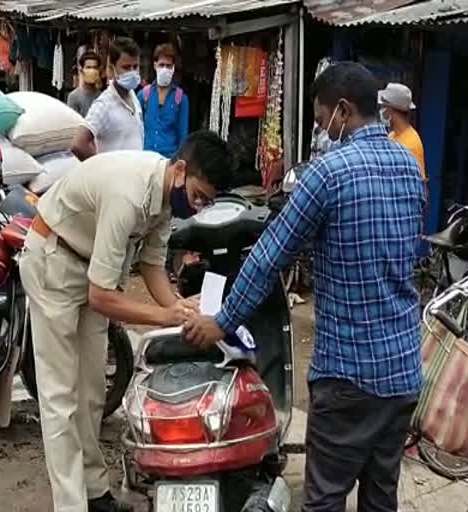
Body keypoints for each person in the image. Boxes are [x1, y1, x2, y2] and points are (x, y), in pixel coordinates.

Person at [183, 62, 426, 512]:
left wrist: (222, 321)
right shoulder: (409, 166)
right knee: (380, 497)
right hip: (403, 370)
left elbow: (269, 257)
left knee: (325, 498)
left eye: (321, 121)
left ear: (343, 110)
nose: (322, 131)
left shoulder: (327, 173)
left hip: (350, 372)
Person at [19, 130, 234, 512]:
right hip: (54, 260)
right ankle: (71, 505)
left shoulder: (166, 199)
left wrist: (182, 307)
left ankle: (95, 490)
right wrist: (163, 315)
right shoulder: (129, 194)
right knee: (60, 397)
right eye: (199, 196)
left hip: (89, 268)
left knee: (91, 391)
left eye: (207, 203)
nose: (198, 207)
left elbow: (152, 265)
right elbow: (101, 297)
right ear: (180, 170)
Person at [71, 37, 144, 160]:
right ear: (111, 69)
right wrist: (100, 167)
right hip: (114, 177)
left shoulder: (133, 96)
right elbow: (78, 144)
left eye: (135, 67)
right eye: (126, 67)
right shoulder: (104, 103)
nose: (132, 72)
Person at [140, 43, 189, 158]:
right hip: (145, 158)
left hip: (169, 159)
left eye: (168, 66)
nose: (165, 69)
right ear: (154, 65)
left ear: (173, 68)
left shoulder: (181, 98)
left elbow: (183, 135)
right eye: (161, 65)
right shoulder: (143, 95)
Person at [379, 82, 427, 181]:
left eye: (383, 106)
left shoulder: (411, 144)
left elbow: (421, 185)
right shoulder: (392, 135)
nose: (381, 110)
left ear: (391, 110)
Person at [67, 51, 102, 118]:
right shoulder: (74, 97)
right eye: (88, 67)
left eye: (95, 67)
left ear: (99, 70)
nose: (92, 71)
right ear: (81, 70)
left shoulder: (103, 96)